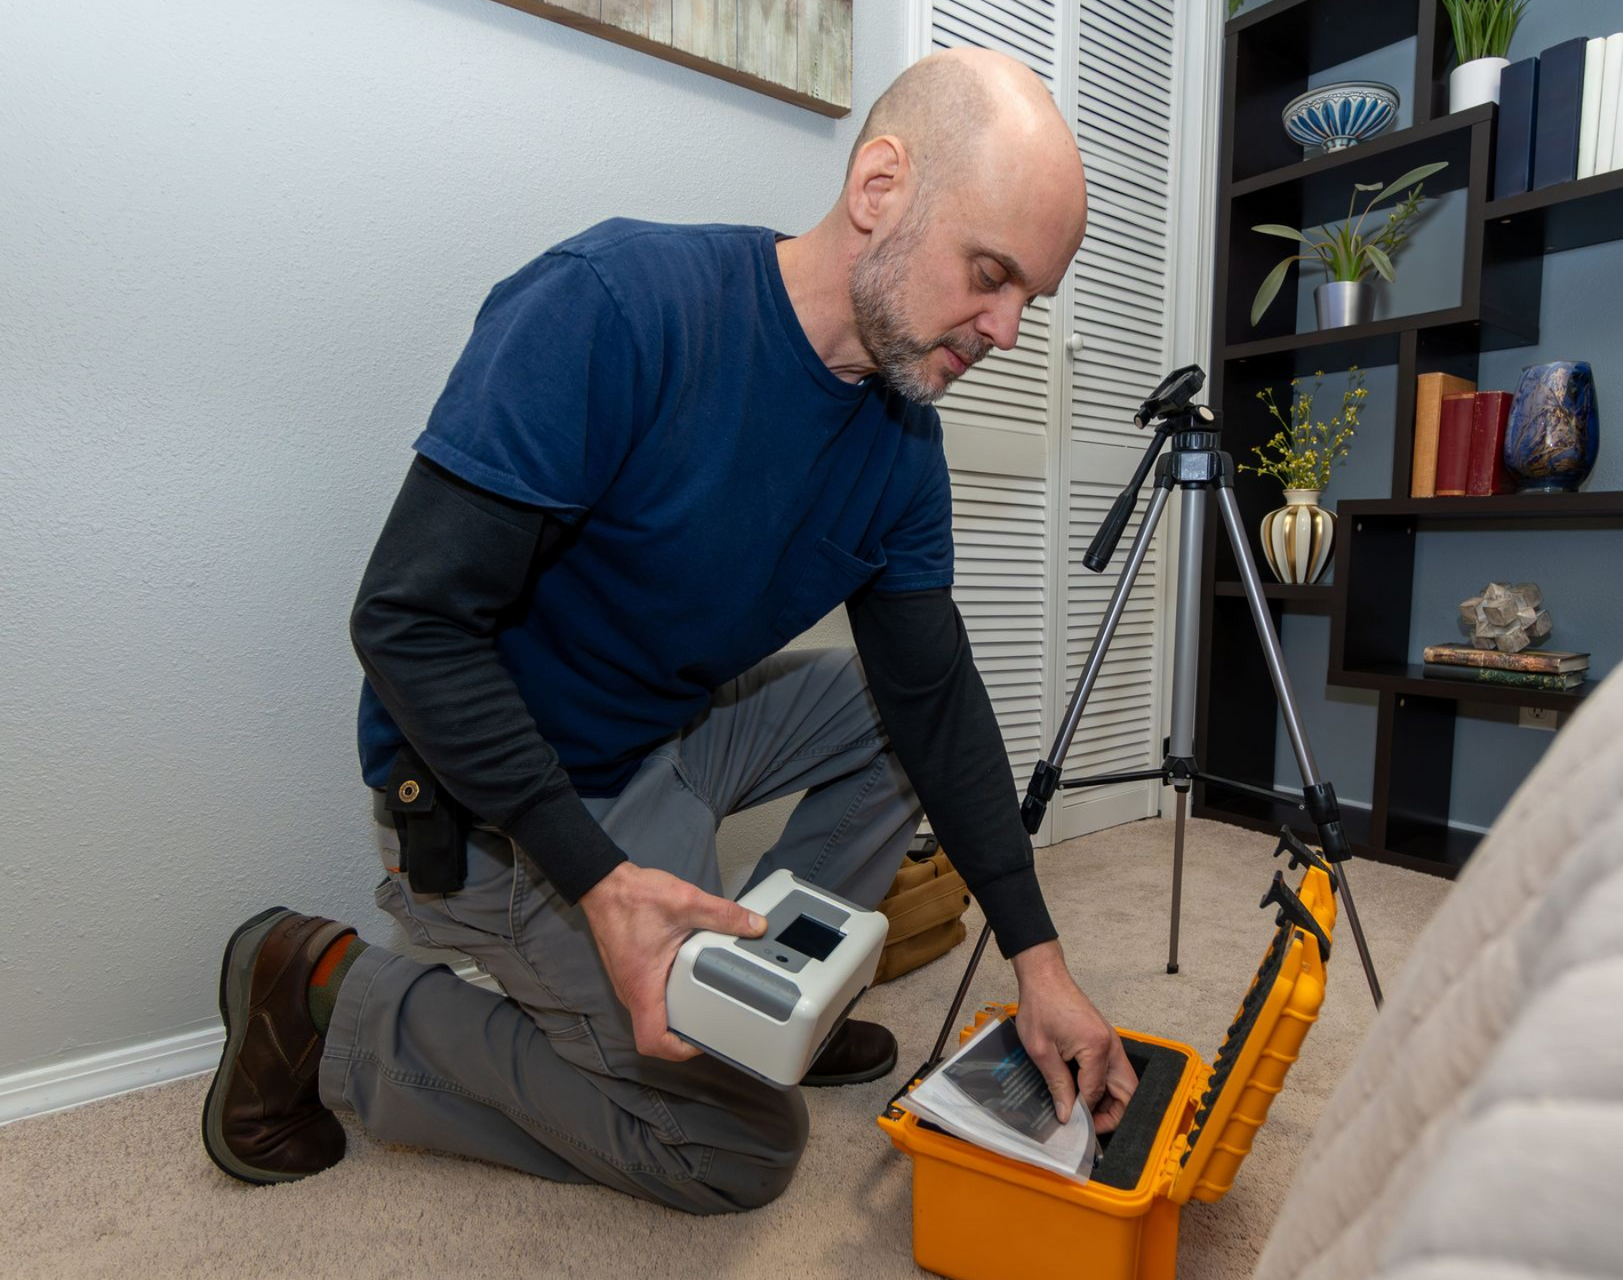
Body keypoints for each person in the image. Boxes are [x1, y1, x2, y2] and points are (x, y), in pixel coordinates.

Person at [200, 47, 1138, 1212]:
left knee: (891, 704)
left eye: (1027, 301)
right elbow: (408, 624)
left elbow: (934, 700)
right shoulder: (617, 306)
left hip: (657, 742)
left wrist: (1037, 957)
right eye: (990, 274)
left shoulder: (900, 442)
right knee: (738, 1154)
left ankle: (765, 999)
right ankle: (327, 990)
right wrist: (601, 882)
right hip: (493, 805)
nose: (1003, 330)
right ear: (880, 187)